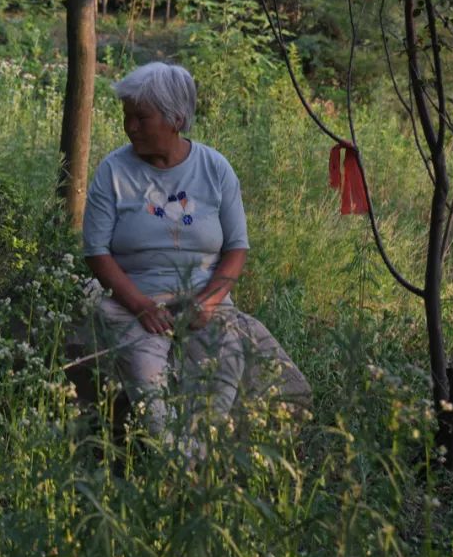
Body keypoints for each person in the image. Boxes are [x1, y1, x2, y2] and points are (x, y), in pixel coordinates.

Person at [81, 61, 304, 450]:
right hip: (133, 301)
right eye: (126, 117)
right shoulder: (113, 171)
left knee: (220, 376)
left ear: (176, 119)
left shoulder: (215, 169)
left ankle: (194, 461)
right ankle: (172, 460)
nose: (130, 127)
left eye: (141, 118)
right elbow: (97, 252)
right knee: (149, 390)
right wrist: (141, 307)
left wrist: (209, 302)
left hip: (205, 302)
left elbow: (237, 248)